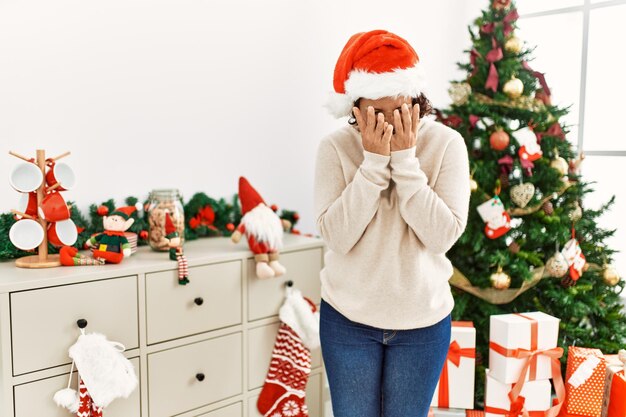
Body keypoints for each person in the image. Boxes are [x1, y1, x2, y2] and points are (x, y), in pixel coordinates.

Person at [314, 30, 471, 417]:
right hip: (347, 320)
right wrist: (371, 166)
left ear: (417, 102)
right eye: (375, 115)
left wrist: (404, 163)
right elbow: (336, 237)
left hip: (422, 322)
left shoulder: (447, 144)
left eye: (399, 112)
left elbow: (441, 237)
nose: (387, 124)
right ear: (355, 108)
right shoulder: (335, 148)